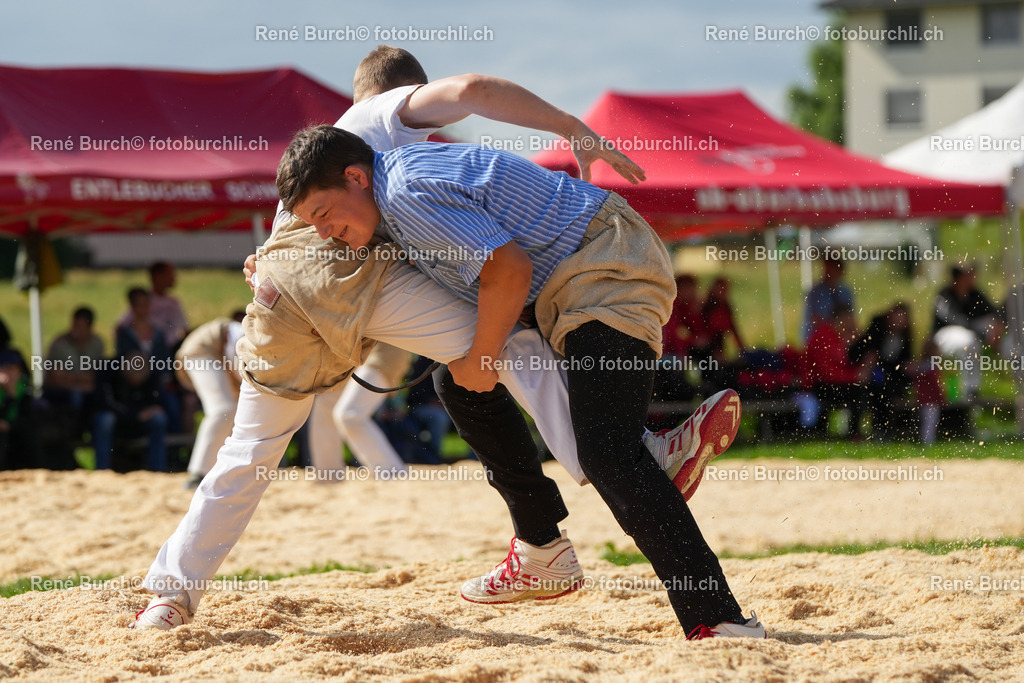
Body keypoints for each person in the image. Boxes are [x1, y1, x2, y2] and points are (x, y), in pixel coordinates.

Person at [133, 48, 744, 634]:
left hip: (293, 301)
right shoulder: (380, 127)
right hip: (360, 288)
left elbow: (492, 267)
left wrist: (266, 263)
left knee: (257, 448)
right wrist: (568, 127)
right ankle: (620, 482)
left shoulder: (381, 182)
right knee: (502, 353)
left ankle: (171, 595)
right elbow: (472, 90)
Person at [274, 125, 764, 639]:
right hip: (584, 276)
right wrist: (269, 265)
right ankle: (544, 543)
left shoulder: (403, 193)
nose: (323, 232)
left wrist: (484, 357)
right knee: (458, 384)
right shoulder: (391, 193)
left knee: (609, 455)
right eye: (312, 223)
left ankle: (720, 619)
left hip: (606, 268)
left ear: (356, 177)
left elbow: (508, 270)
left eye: (323, 215)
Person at [304, 342, 411, 477]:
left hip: (383, 353)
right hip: (353, 358)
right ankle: (329, 474)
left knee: (350, 415)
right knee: (325, 403)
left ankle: (392, 472)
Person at [175, 313, 246, 489]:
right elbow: (235, 359)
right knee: (223, 409)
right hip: (200, 352)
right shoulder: (247, 333)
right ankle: (198, 473)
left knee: (233, 411)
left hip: (214, 356)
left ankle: (221, 469)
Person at [933, 263, 1002, 399]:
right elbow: (956, 320)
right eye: (968, 275)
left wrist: (996, 327)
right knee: (969, 341)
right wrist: (983, 334)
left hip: (970, 333)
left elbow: (993, 313)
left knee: (975, 336)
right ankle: (970, 391)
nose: (973, 278)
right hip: (944, 336)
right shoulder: (944, 295)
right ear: (958, 277)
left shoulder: (974, 294)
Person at [92, 352, 169, 472]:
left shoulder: (152, 373)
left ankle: (157, 469)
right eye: (132, 380)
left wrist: (143, 413)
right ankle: (102, 469)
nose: (136, 385)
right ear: (124, 371)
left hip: (138, 421)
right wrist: (136, 415)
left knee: (159, 418)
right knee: (105, 419)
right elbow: (104, 404)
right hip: (117, 418)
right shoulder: (108, 370)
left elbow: (157, 402)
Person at [804, 304, 872, 439]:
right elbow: (826, 374)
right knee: (857, 391)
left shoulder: (845, 336)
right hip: (818, 386)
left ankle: (872, 431)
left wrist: (866, 364)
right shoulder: (822, 336)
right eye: (850, 319)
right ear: (841, 319)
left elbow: (851, 363)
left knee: (869, 388)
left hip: (839, 382)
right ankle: (854, 434)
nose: (854, 324)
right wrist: (855, 376)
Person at [850, 302, 913, 440]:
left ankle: (886, 430)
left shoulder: (905, 336)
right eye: (896, 317)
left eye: (902, 319)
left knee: (887, 390)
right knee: (870, 392)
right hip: (869, 374)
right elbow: (864, 352)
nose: (898, 322)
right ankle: (859, 432)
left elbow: (903, 361)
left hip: (890, 377)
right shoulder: (877, 329)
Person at [119, 261, 189, 346]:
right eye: (170, 274)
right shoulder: (144, 300)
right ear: (158, 276)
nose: (174, 278)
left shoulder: (174, 303)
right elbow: (122, 325)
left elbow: (184, 328)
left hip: (170, 348)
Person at [803, 256, 854, 342]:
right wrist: (835, 328)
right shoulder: (816, 293)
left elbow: (851, 317)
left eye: (832, 270)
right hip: (819, 338)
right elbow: (815, 319)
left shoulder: (845, 292)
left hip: (841, 339)